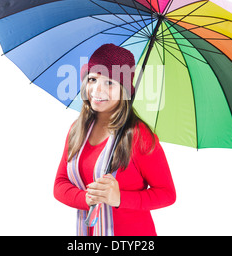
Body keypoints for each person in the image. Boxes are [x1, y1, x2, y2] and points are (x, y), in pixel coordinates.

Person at [54, 43, 176, 236]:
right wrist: (86, 198)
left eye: (109, 82)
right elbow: (60, 184)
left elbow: (167, 194)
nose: (97, 89)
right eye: (92, 79)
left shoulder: (138, 135)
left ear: (125, 90)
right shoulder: (77, 129)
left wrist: (119, 198)